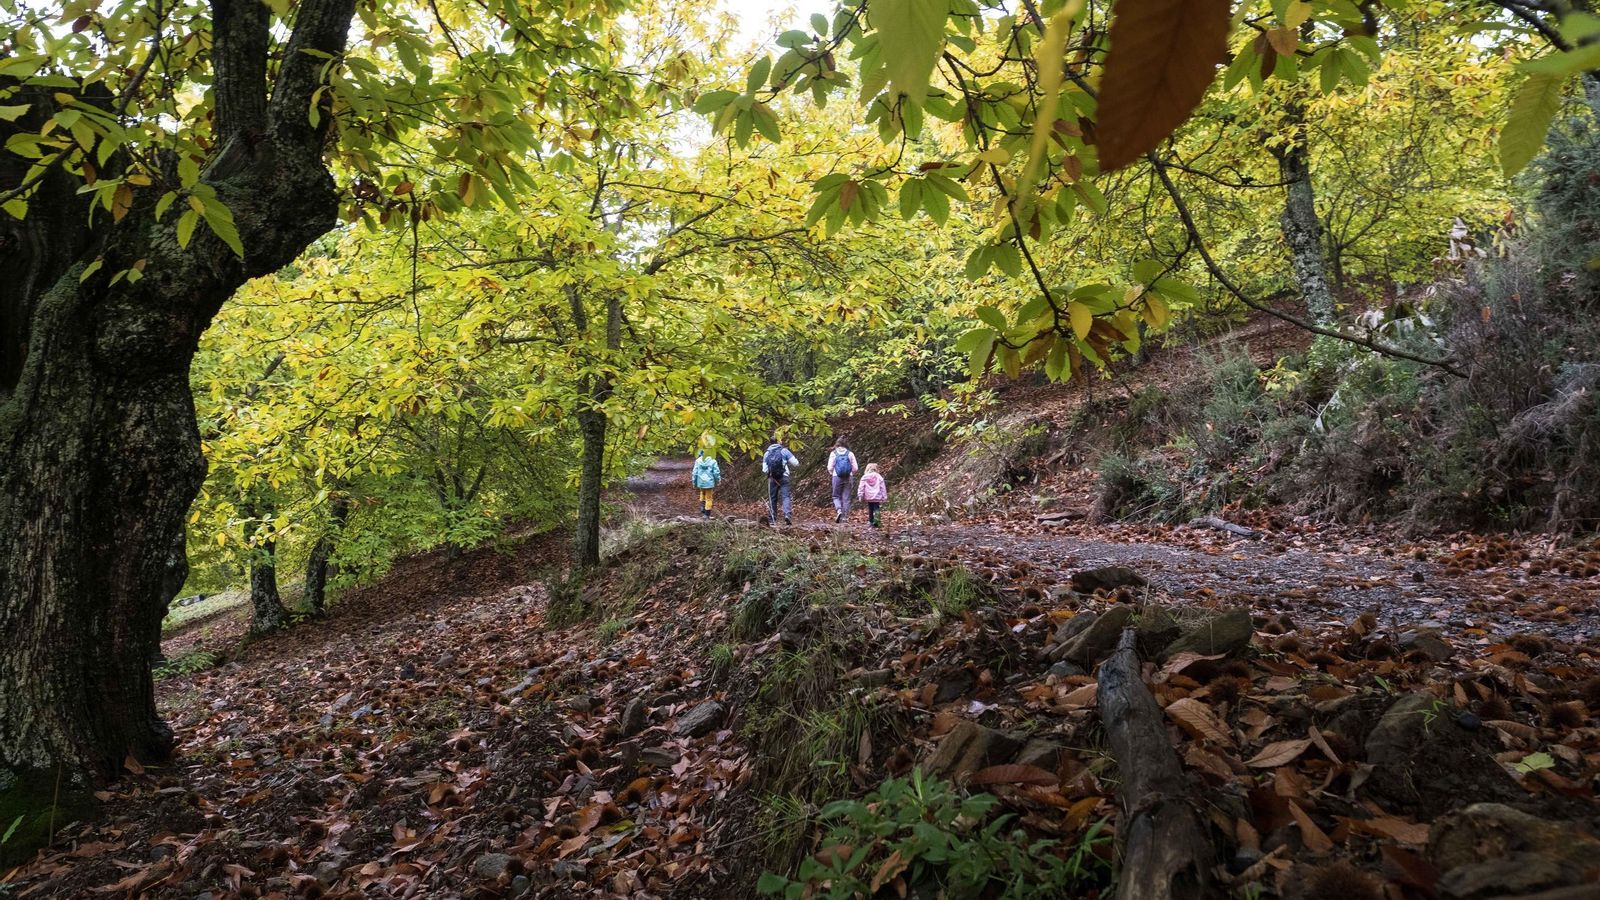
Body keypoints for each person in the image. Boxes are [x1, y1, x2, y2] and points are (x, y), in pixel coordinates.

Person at [761, 437, 800, 526]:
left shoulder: (767, 453)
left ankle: (772, 519)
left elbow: (764, 469)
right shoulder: (784, 451)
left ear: (770, 443)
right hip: (784, 477)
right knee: (785, 497)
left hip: (772, 479)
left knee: (772, 498)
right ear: (778, 442)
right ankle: (787, 516)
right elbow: (795, 463)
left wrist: (772, 472)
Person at [827, 440, 859, 523]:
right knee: (846, 497)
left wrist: (832, 473)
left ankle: (839, 511)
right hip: (848, 477)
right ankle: (845, 517)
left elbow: (830, 467)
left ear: (837, 445)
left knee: (836, 496)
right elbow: (855, 468)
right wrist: (851, 473)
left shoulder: (833, 453)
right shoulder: (850, 453)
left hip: (836, 477)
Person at [691, 450, 721, 518]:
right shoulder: (713, 460)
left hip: (701, 482)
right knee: (709, 498)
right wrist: (718, 480)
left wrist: (694, 482)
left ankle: (702, 507)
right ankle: (707, 514)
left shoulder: (698, 461)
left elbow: (694, 473)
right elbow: (716, 473)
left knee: (702, 493)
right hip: (709, 483)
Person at [857, 462, 887, 528]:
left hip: (868, 496)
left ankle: (871, 521)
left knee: (870, 508)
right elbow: (883, 487)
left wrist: (860, 495)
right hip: (877, 496)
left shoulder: (864, 477)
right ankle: (876, 521)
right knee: (876, 508)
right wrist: (884, 497)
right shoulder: (879, 477)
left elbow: (861, 487)